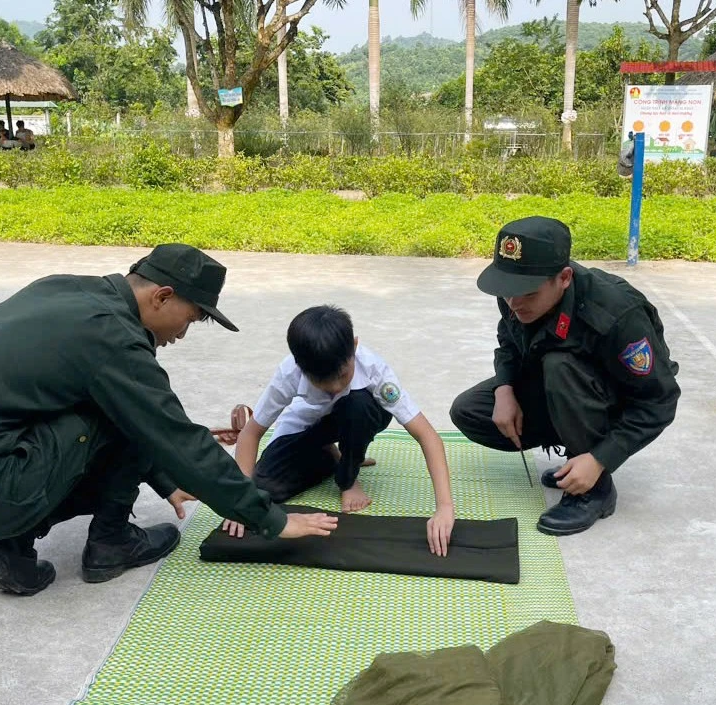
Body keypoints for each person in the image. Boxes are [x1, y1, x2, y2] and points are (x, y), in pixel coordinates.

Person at [0, 244, 338, 596]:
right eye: (190, 319)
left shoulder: (65, 289)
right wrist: (272, 520)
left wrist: (166, 479)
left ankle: (7, 546)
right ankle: (111, 543)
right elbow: (170, 434)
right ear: (162, 296)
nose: (182, 334)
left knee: (119, 406)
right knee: (125, 411)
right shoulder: (112, 337)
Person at [449, 217, 680, 536]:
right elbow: (509, 339)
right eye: (507, 292)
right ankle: (574, 453)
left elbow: (659, 400)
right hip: (563, 389)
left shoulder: (615, 314)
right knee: (470, 411)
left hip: (613, 399)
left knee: (560, 366)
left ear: (564, 277)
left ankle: (594, 490)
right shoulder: (516, 295)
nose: (514, 304)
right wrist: (504, 388)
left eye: (526, 293)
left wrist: (600, 458)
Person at [224, 305, 457, 556]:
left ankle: (347, 477)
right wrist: (242, 501)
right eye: (322, 384)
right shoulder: (288, 372)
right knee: (266, 488)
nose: (335, 388)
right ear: (299, 365)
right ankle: (330, 454)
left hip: (354, 417)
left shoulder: (373, 369)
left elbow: (427, 435)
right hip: (306, 429)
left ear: (354, 346)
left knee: (358, 403)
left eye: (343, 375)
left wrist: (444, 507)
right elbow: (251, 433)